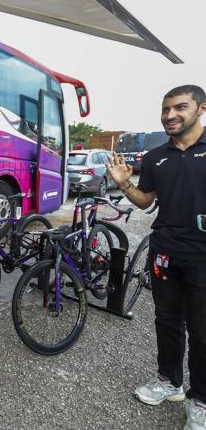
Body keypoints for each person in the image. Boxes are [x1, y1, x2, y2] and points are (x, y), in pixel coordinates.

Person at [107, 85, 206, 430]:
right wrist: (123, 184)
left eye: (179, 107)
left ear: (201, 109)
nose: (169, 115)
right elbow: (146, 201)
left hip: (202, 257)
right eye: (165, 109)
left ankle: (201, 400)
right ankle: (170, 382)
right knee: (166, 322)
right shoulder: (154, 157)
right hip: (165, 251)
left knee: (202, 330)